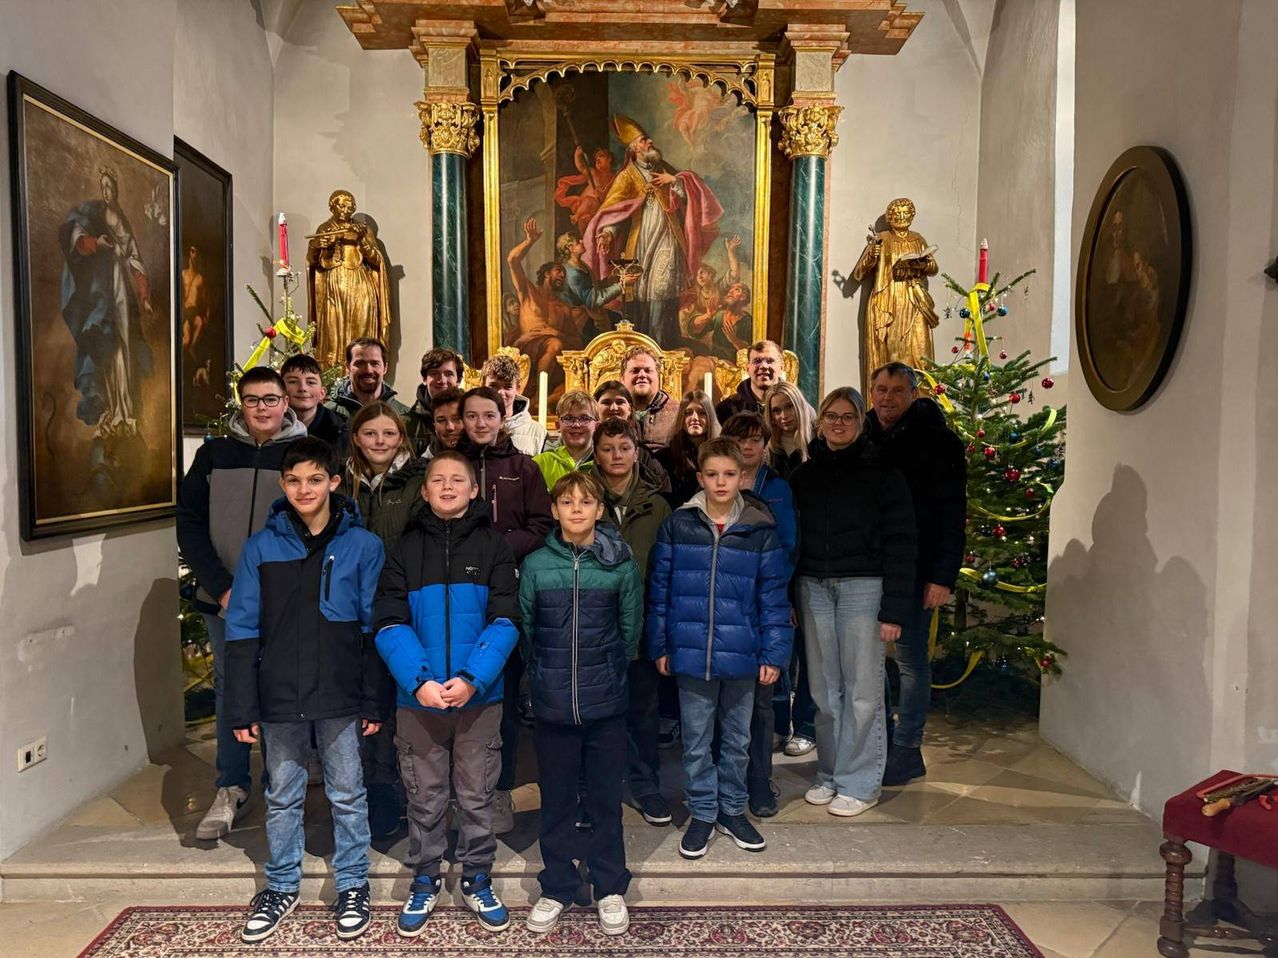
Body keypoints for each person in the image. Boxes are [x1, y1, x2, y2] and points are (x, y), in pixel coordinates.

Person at [223, 437, 388, 943]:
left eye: (316, 479)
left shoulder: (363, 547)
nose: (304, 489)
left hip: (339, 690)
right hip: (278, 692)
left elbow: (373, 627)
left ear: (335, 482)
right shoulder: (261, 548)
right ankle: (282, 883)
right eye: (294, 480)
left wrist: (373, 697)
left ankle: (353, 882)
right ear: (282, 483)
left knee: (346, 792)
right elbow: (243, 628)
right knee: (283, 792)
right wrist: (242, 704)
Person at [375, 451, 520, 937]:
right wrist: (419, 681)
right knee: (425, 795)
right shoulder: (403, 548)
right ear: (424, 490)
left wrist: (471, 679)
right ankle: (425, 876)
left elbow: (505, 620)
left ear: (474, 490)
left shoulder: (494, 547)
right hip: (419, 699)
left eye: (458, 479)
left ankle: (478, 876)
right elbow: (389, 621)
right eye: (438, 479)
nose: (448, 486)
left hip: (478, 698)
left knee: (477, 795)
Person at [176, 367, 308, 842]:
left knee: (280, 689)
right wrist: (220, 583)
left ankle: (281, 785)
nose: (262, 409)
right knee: (232, 687)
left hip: (283, 599)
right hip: (224, 597)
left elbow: (315, 524)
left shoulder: (301, 454)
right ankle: (231, 786)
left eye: (270, 399)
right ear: (241, 403)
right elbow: (189, 523)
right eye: (252, 400)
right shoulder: (214, 455)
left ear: (285, 402)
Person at [648, 438, 792, 859]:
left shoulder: (759, 530)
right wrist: (660, 643)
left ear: (743, 477)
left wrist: (774, 654)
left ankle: (732, 809)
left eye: (729, 474)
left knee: (736, 738)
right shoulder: (679, 525)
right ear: (699, 477)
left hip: (744, 653)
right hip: (691, 650)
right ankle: (703, 812)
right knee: (695, 740)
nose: (721, 482)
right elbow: (661, 590)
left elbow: (773, 598)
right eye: (712, 474)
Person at [520, 472, 642, 936]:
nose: (576, 509)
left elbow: (630, 631)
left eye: (585, 502)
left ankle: (609, 884)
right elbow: (528, 631)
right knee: (556, 800)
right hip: (553, 704)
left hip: (604, 702)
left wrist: (608, 672)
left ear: (598, 510)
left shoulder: (619, 566)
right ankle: (558, 885)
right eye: (567, 502)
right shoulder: (535, 565)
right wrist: (546, 677)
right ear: (554, 510)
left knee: (606, 799)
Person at [789, 387, 917, 818]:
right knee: (824, 691)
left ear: (860, 422)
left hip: (864, 586)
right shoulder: (804, 476)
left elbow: (902, 541)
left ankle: (861, 783)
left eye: (847, 417)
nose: (838, 424)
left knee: (863, 690)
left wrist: (895, 609)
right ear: (820, 420)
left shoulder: (883, 471)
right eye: (831, 416)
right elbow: (793, 542)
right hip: (815, 587)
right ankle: (830, 773)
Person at [457, 386, 554, 832]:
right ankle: (460, 792)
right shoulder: (447, 468)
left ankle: (499, 790)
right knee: (460, 687)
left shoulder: (523, 467)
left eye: (489, 415)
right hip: (458, 591)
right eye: (472, 416)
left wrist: (497, 548)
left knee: (505, 694)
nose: (480, 424)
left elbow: (540, 524)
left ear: (503, 417)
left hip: (506, 590)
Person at [864, 362, 966, 786]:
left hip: (919, 569)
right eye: (880, 390)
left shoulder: (939, 441)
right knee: (870, 662)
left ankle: (908, 747)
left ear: (913, 393)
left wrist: (943, 577)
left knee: (909, 661)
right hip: (868, 569)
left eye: (897, 391)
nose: (887, 398)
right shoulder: (863, 434)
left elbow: (951, 513)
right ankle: (883, 738)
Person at [343, 401, 427, 837]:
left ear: (402, 439)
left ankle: (401, 791)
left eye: (388, 434)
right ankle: (368, 791)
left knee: (397, 704)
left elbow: (418, 541)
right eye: (371, 434)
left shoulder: (415, 483)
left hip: (399, 603)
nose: (379, 442)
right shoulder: (343, 484)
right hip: (350, 606)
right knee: (362, 702)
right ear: (357, 438)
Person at [592, 417, 673, 826]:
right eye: (608, 449)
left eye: (623, 447)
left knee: (643, 710)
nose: (616, 456)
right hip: (595, 626)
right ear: (596, 453)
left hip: (641, 624)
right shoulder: (584, 496)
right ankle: (596, 791)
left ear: (635, 450)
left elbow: (666, 567)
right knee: (599, 713)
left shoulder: (655, 503)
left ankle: (645, 784)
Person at [582, 114, 724, 343]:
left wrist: (675, 182)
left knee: (662, 287)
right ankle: (642, 346)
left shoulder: (664, 169)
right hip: (641, 243)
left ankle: (661, 348)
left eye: (648, 140)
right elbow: (614, 210)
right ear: (633, 148)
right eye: (643, 140)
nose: (649, 143)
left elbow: (689, 198)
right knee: (641, 292)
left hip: (668, 238)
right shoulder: (627, 176)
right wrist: (608, 233)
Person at [721, 411, 797, 816]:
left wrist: (778, 597)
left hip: (763, 603)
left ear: (765, 445)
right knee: (723, 703)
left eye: (755, 440)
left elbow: (788, 546)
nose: (748, 446)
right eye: (740, 438)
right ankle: (725, 779)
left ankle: (759, 779)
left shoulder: (779, 488)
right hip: (724, 605)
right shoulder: (719, 484)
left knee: (761, 702)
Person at [762, 382, 818, 758]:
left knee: (808, 649)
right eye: (775, 411)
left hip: (813, 559)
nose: (782, 417)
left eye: (787, 408)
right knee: (782, 646)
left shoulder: (815, 450)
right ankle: (781, 723)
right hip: (782, 558)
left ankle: (808, 725)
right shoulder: (769, 459)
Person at [306, 189, 393, 370]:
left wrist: (362, 240)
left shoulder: (362, 229)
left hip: (360, 286)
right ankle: (333, 380)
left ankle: (363, 373)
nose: (346, 209)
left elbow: (377, 262)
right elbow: (313, 263)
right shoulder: (324, 229)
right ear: (332, 207)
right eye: (341, 205)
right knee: (332, 336)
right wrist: (317, 246)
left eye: (350, 205)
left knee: (361, 332)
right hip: (333, 288)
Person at [593, 379, 671, 493]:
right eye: (606, 402)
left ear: (629, 409)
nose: (614, 408)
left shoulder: (644, 455)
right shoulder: (587, 449)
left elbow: (663, 490)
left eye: (620, 402)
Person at [656, 390, 719, 507]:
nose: (695, 418)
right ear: (681, 417)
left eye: (702, 413)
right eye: (688, 412)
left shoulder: (721, 455)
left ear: (710, 417)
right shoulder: (664, 457)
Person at [325, 337, 411, 422]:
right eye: (360, 363)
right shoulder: (327, 415)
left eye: (375, 363)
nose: (368, 370)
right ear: (348, 367)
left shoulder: (405, 417)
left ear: (385, 368)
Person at [281, 354, 347, 455]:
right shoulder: (270, 426)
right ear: (281, 390)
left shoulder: (340, 431)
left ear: (322, 393)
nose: (302, 388)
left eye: (311, 382)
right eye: (293, 381)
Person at [483, 353, 547, 456]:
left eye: (507, 387)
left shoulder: (538, 433)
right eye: (493, 386)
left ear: (518, 388)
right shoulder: (472, 427)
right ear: (483, 386)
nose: (500, 393)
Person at [405, 347, 465, 454]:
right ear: (424, 378)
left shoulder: (470, 417)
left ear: (458, 380)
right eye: (434, 373)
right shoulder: (407, 424)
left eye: (449, 374)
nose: (442, 381)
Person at [534, 390, 598, 489]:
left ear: (596, 426)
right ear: (558, 425)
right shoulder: (540, 463)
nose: (576, 424)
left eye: (584, 418)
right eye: (568, 418)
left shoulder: (603, 463)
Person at [621, 346, 678, 446]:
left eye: (648, 370)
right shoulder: (613, 412)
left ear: (658, 376)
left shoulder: (678, 413)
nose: (642, 375)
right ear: (622, 378)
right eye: (635, 370)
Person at [716, 339, 783, 423]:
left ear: (781, 367)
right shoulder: (726, 409)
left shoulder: (795, 405)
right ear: (747, 368)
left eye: (770, 361)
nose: (763, 366)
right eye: (757, 361)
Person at [764, 380, 816, 481]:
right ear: (771, 416)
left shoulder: (817, 442)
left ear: (799, 406)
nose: (784, 416)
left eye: (789, 406)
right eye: (777, 410)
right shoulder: (768, 448)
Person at [421, 385, 465, 459]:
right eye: (441, 421)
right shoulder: (422, 467)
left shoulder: (486, 462)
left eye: (457, 419)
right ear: (434, 426)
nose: (450, 427)